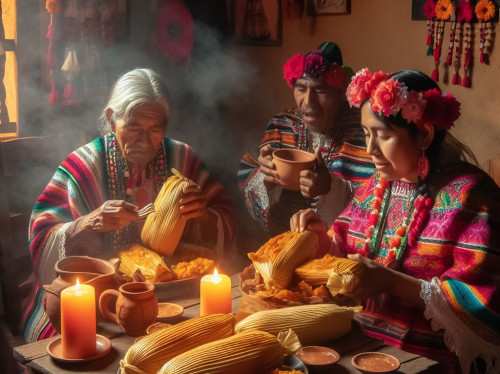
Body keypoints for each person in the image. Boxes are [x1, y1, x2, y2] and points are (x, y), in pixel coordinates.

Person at [290, 69, 500, 373]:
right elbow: (346, 252)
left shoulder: (473, 197)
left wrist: (391, 281)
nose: (370, 149)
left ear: (425, 134)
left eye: (384, 136)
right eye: (366, 134)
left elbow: (485, 305)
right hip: (359, 351)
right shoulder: (377, 185)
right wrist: (320, 238)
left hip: (429, 364)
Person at [22, 68, 236, 343]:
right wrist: (88, 222)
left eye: (155, 129)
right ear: (112, 120)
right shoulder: (84, 166)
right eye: (134, 126)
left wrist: (204, 217)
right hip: (98, 301)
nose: (145, 141)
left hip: (177, 296)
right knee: (81, 346)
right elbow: (41, 236)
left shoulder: (182, 158)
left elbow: (225, 218)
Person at [238, 41, 374, 237]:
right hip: (279, 245)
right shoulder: (282, 124)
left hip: (336, 256)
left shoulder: (364, 133)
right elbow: (247, 175)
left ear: (340, 94)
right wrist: (265, 181)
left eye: (320, 90)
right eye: (301, 89)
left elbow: (377, 203)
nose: (308, 101)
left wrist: (330, 188)